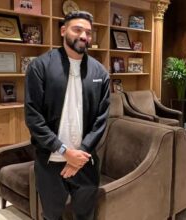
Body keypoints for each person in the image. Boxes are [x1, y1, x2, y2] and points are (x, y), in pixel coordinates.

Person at [25, 11, 110, 220]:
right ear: (63, 31)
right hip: (50, 162)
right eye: (78, 29)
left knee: (85, 215)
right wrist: (64, 151)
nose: (84, 36)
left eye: (88, 33)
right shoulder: (40, 67)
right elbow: (33, 117)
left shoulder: (100, 73)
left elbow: (101, 120)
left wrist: (79, 154)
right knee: (52, 216)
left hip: (85, 162)